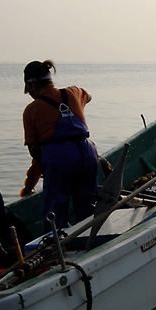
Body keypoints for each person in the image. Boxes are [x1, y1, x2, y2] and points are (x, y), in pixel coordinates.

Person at [20, 60, 98, 230]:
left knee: (54, 214)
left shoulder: (31, 110)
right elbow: (89, 96)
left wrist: (39, 176)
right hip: (88, 152)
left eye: (28, 89)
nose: (28, 93)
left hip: (59, 158)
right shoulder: (74, 92)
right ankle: (92, 240)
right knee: (88, 207)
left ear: (32, 85)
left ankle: (56, 248)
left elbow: (35, 151)